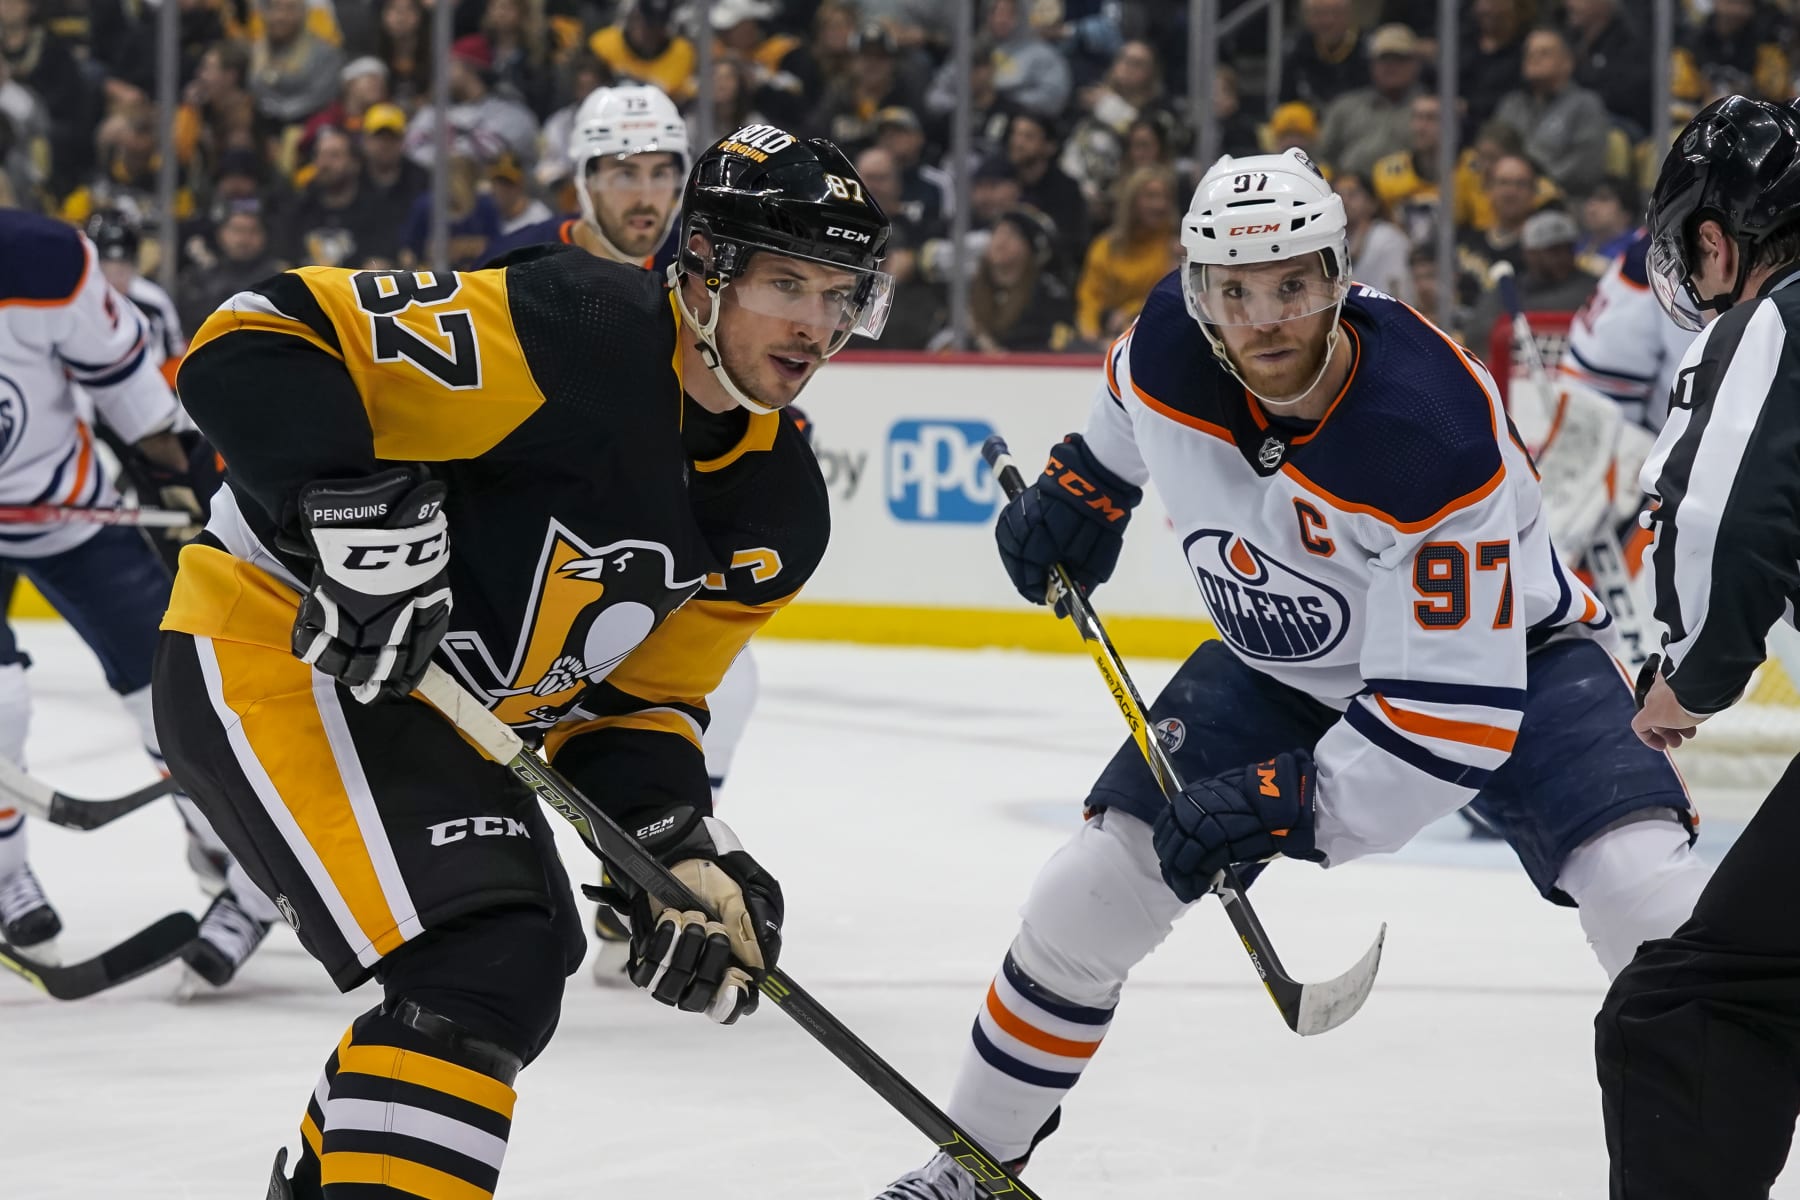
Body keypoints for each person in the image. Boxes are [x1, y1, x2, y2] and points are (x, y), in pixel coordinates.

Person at [871, 148, 1712, 1198]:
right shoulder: (1171, 342)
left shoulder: (1432, 432)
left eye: (1293, 287)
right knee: (1084, 897)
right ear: (1199, 292)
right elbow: (1123, 406)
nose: (1265, 320)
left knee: (1653, 906)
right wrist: (1086, 487)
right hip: (1279, 670)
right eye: (1236, 292)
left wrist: (1292, 806)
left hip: (1518, 666)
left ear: (1339, 276)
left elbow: (1452, 719)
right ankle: (969, 1168)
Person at [155, 130, 893, 1200]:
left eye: (839, 294)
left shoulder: (777, 510)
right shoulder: (576, 331)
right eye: (788, 284)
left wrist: (673, 847)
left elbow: (636, 706)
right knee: (484, 956)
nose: (817, 325)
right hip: (280, 644)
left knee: (524, 953)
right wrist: (342, 500)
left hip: (426, 715)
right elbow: (252, 337)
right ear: (701, 267)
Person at [1595, 96, 1800, 1199]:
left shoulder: (1773, 319)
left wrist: (1688, 677)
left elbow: (1724, 514)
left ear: (1718, 240)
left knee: (1688, 1010)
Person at [0, 208, 253, 980]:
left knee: (171, 686)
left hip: (64, 507)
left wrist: (177, 473)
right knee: (1, 702)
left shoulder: (42, 261)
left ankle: (228, 850)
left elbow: (125, 385)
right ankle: (6, 876)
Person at [484, 82, 686, 268]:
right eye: (626, 175)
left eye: (660, 174)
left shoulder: (693, 265)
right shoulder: (511, 266)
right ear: (587, 181)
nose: (646, 199)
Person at [1560, 228, 1696, 433]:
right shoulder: (1680, 256)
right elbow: (1686, 367)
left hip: (1577, 387)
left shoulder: (1652, 238)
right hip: (1611, 409)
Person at [1491, 26, 1611, 197]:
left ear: (1567, 63)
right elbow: (1493, 151)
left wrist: (1534, 185)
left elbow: (1585, 166)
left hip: (1562, 200)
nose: (1534, 58)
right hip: (1506, 197)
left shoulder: (1586, 105)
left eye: (1544, 53)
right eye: (1529, 53)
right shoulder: (1511, 105)